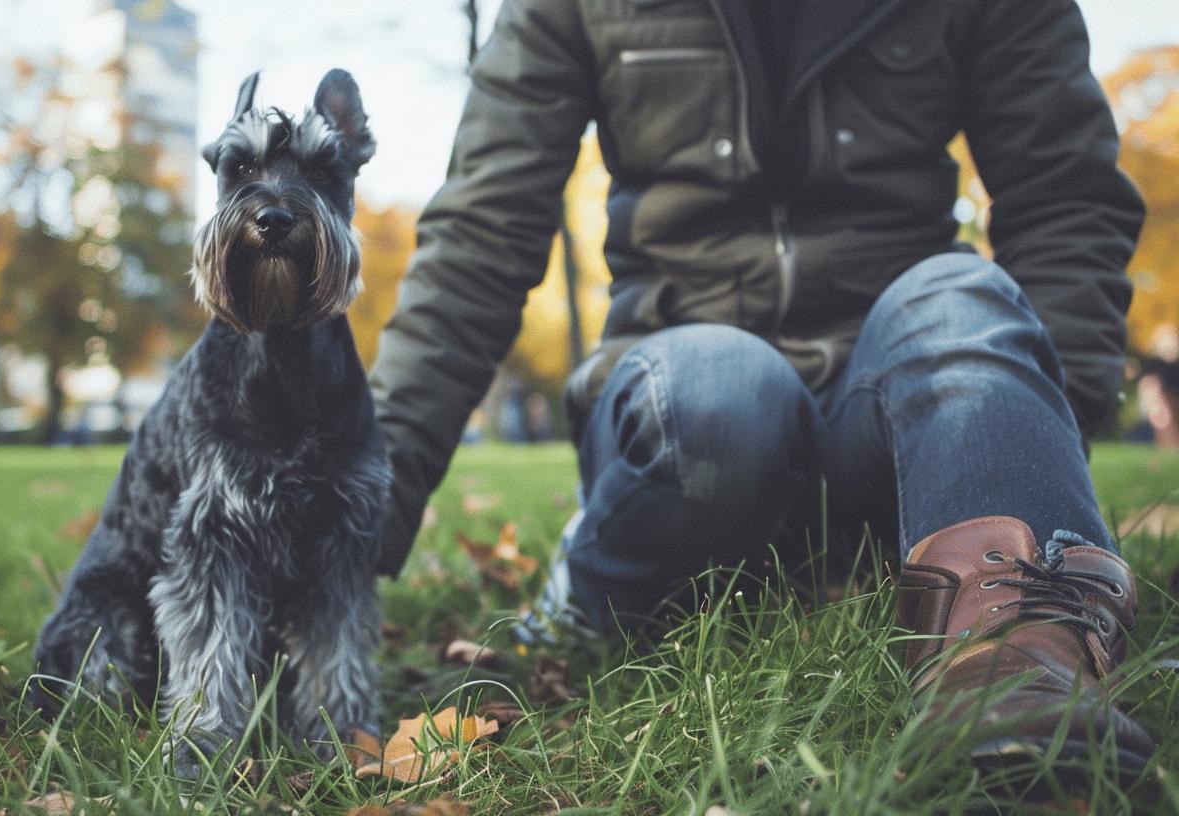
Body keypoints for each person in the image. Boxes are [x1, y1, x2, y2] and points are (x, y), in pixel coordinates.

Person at [370, 0, 1154, 774]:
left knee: (961, 292)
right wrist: (349, 528)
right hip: (686, 407)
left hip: (888, 408)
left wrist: (1042, 450)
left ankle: (1016, 654)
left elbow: (1064, 198)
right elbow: (479, 239)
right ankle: (594, 581)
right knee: (725, 392)